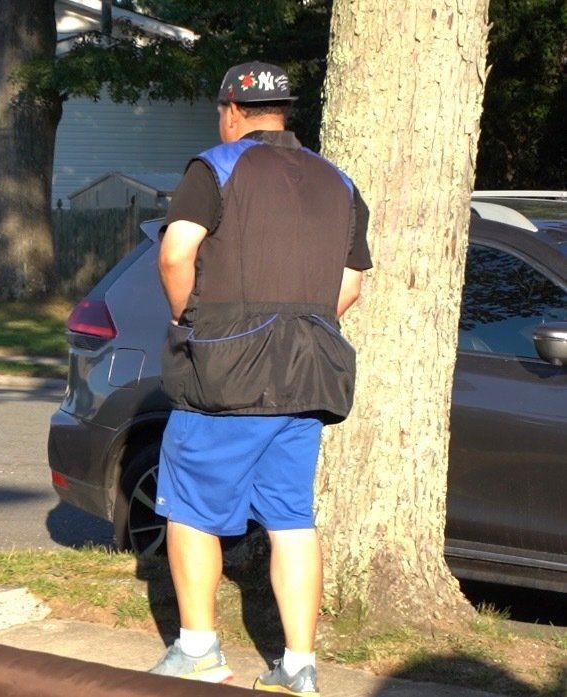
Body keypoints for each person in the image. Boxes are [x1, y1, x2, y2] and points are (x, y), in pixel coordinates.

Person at [147, 61, 372, 696]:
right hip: (311, 373)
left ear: (231, 112)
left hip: (227, 374)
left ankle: (198, 651)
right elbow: (350, 284)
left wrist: (188, 315)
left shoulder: (214, 166)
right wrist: (304, 323)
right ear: (285, 113)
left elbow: (175, 251)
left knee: (190, 508)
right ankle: (299, 666)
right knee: (291, 519)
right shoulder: (340, 181)